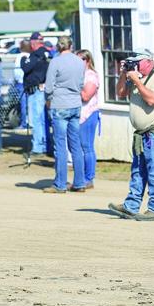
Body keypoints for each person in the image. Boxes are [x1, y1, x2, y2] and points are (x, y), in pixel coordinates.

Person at [109, 50, 154, 221]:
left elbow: (152, 99)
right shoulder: (137, 77)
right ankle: (131, 206)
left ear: (149, 61)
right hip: (141, 132)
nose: (134, 65)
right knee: (138, 170)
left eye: (137, 62)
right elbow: (121, 93)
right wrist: (124, 74)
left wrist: (136, 81)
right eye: (132, 62)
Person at [42, 36, 85, 193]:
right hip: (75, 103)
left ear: (58, 47)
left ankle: (60, 183)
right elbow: (81, 83)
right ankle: (80, 182)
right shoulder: (79, 61)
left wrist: (47, 100)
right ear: (71, 45)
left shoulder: (56, 61)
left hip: (60, 103)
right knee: (76, 145)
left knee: (60, 145)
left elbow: (48, 87)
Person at [21, 32, 50, 155]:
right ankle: (45, 144)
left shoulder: (35, 55)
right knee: (43, 119)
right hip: (44, 90)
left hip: (36, 91)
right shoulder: (48, 54)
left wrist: (23, 59)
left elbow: (25, 67)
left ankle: (38, 146)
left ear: (33, 43)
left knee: (36, 120)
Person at [77, 49, 99, 189]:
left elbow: (86, 96)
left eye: (81, 60)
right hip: (79, 114)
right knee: (79, 147)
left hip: (89, 113)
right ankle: (81, 177)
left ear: (88, 61)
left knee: (87, 147)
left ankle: (89, 177)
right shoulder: (79, 75)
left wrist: (72, 86)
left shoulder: (91, 76)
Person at [13, 39, 31, 128]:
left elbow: (16, 72)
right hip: (30, 82)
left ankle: (24, 123)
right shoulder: (31, 56)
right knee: (30, 104)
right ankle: (30, 122)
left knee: (23, 104)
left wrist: (16, 80)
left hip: (21, 82)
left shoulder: (19, 56)